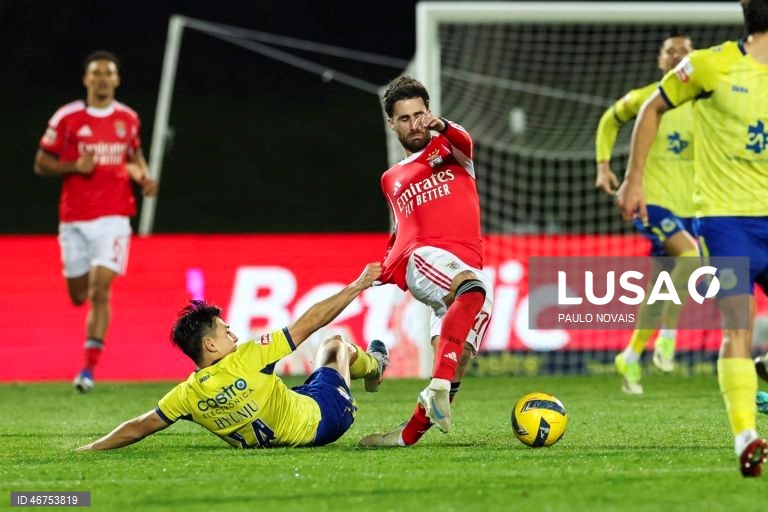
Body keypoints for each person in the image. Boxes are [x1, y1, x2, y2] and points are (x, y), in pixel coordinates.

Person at [616, 0, 768, 477]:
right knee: (738, 326)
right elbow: (650, 108)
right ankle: (746, 436)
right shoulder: (709, 64)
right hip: (727, 224)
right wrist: (632, 179)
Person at [76, 263, 389, 450]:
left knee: (295, 387)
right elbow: (311, 322)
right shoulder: (249, 357)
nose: (235, 336)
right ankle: (376, 366)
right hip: (326, 417)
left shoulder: (187, 394)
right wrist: (358, 284)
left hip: (293, 411)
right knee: (334, 346)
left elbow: (139, 426)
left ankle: (369, 368)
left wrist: (92, 447)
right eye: (226, 332)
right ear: (210, 345)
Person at [358, 76, 493, 447]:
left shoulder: (452, 149)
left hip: (464, 265)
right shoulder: (391, 178)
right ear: (392, 124)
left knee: (457, 357)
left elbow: (464, 139)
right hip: (424, 258)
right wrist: (389, 262)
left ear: (429, 113)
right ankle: (436, 388)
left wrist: (443, 126)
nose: (414, 124)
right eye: (404, 118)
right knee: (473, 290)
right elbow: (402, 226)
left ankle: (405, 436)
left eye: (419, 115)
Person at [34, 50, 159, 393]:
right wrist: (74, 166)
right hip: (74, 218)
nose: (102, 79)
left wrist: (144, 177)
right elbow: (41, 162)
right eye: (96, 73)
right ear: (86, 79)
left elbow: (133, 157)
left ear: (117, 80)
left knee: (100, 289)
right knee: (78, 295)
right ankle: (88, 358)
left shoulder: (128, 118)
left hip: (114, 216)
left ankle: (88, 369)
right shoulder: (67, 118)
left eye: (108, 73)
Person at [595, 34, 699, 395]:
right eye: (671, 51)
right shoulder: (646, 98)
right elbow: (609, 120)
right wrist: (603, 165)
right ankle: (669, 336)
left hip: (691, 207)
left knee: (660, 288)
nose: (678, 56)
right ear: (660, 59)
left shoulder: (703, 104)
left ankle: (631, 354)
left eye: (685, 52)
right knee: (691, 257)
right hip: (649, 202)